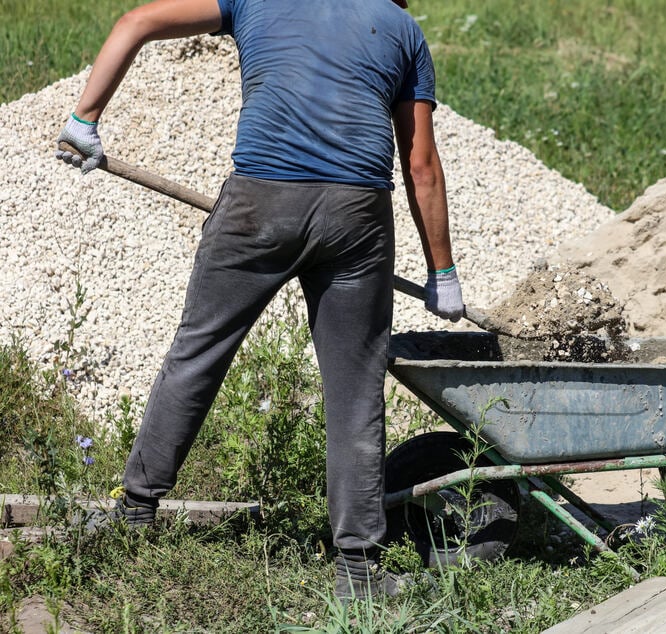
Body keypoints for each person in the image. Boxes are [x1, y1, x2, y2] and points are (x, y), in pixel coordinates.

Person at [54, 0, 464, 601]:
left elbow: (136, 21)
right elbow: (420, 164)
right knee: (356, 389)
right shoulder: (402, 29)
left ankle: (136, 512)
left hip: (259, 204)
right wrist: (442, 271)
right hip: (357, 218)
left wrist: (84, 118)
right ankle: (357, 569)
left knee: (199, 353)